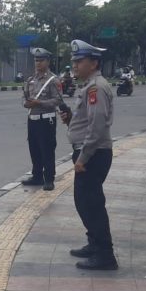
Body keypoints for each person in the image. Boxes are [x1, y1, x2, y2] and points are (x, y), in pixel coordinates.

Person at [60, 39, 118, 271]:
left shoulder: (96, 88)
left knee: (91, 204)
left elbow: (98, 126)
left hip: (93, 155)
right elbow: (87, 122)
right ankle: (95, 244)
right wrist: (71, 122)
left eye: (79, 61)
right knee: (85, 203)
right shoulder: (89, 86)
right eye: (73, 61)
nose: (75, 65)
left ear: (93, 63)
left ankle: (105, 255)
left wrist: (83, 158)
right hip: (90, 153)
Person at [22, 47, 63, 190]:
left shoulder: (53, 80)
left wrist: (39, 103)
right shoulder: (30, 79)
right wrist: (26, 103)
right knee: (34, 149)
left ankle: (49, 179)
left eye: (41, 60)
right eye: (36, 60)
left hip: (46, 120)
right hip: (32, 119)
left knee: (47, 150)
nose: (38, 63)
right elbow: (24, 98)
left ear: (48, 62)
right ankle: (37, 176)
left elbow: (57, 100)